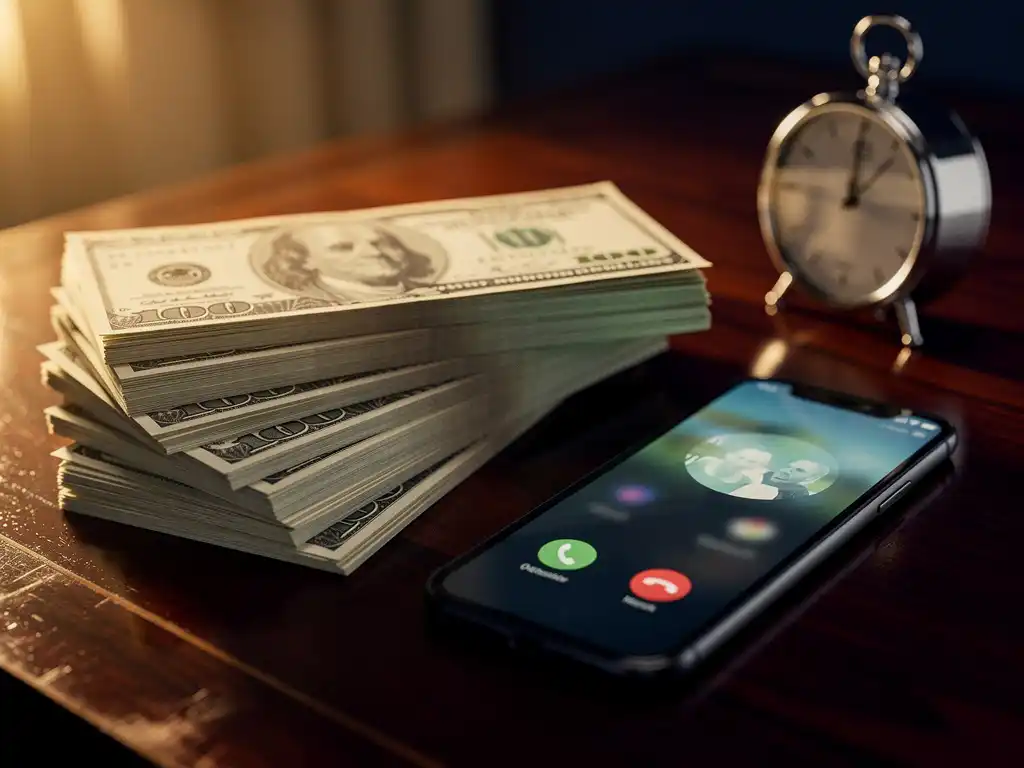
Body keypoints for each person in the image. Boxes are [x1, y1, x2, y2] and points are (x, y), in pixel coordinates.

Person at [257, 222, 445, 303]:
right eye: (343, 248)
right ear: (305, 261)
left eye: (378, 243)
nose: (374, 252)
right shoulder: (308, 299)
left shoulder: (428, 290)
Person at [730, 459, 830, 500]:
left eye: (799, 470)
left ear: (811, 478)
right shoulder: (758, 475)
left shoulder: (798, 493)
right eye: (788, 466)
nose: (785, 471)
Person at [695, 447, 772, 486]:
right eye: (741, 457)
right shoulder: (703, 461)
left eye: (751, 461)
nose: (742, 462)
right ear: (729, 454)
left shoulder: (744, 483)